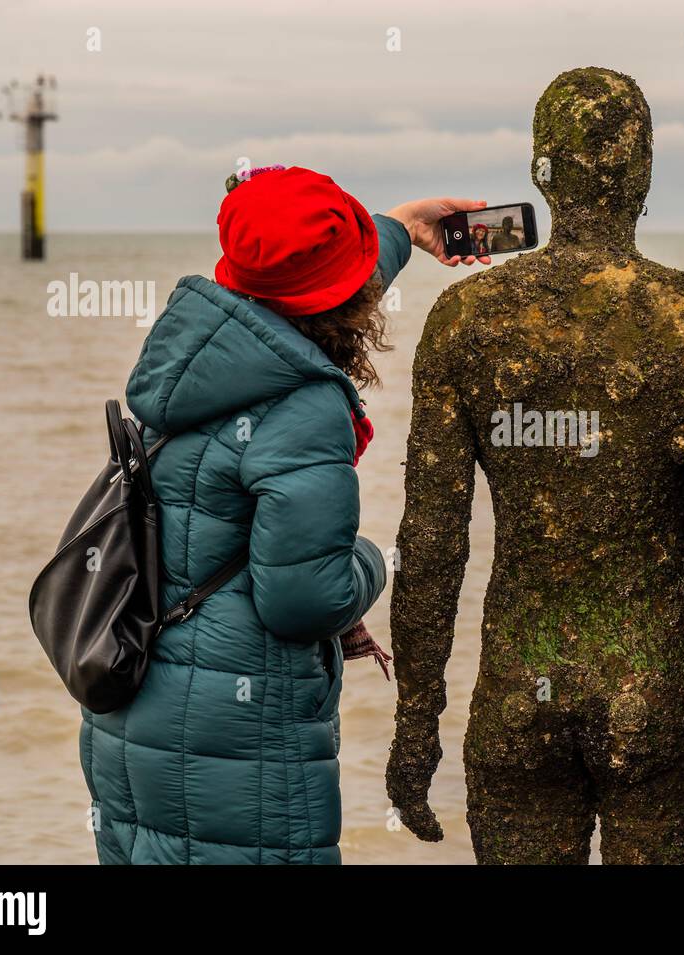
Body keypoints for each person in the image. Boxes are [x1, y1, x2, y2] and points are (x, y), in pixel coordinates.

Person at [385, 67, 684, 864]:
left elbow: (432, 542)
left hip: (522, 687)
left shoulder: (468, 319)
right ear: (644, 171)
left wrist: (416, 724)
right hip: (664, 690)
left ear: (538, 174)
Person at [79, 164, 489, 864]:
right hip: (238, 756)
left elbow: (293, 283)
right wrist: (366, 560)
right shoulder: (306, 406)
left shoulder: (190, 350)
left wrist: (404, 228)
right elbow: (303, 597)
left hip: (133, 724)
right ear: (344, 300)